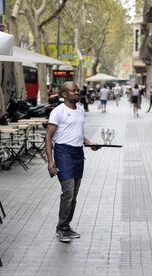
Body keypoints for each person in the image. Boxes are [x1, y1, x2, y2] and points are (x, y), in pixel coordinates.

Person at [45, 81, 99, 243]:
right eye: (73, 91)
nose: (77, 92)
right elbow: (48, 136)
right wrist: (50, 161)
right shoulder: (58, 112)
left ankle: (66, 226)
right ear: (64, 94)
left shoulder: (81, 110)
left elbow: (78, 134)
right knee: (68, 192)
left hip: (77, 155)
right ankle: (61, 228)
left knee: (74, 194)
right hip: (63, 154)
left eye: (77, 90)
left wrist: (89, 143)